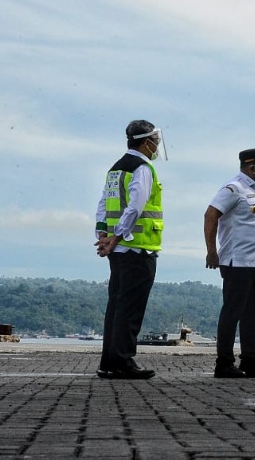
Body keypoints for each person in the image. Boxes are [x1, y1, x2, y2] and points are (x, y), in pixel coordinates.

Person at [94, 120, 166, 380]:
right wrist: (116, 237)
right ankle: (123, 361)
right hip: (137, 248)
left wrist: (102, 234)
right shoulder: (142, 168)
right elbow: (135, 207)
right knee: (130, 308)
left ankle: (110, 361)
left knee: (116, 305)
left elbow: (103, 204)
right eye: (155, 141)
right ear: (146, 142)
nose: (157, 146)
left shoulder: (115, 169)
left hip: (118, 249)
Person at [205, 148, 255, 379]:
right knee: (232, 312)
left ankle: (250, 360)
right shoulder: (234, 188)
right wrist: (211, 251)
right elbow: (210, 215)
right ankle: (224, 362)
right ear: (251, 166)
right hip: (238, 261)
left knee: (252, 314)